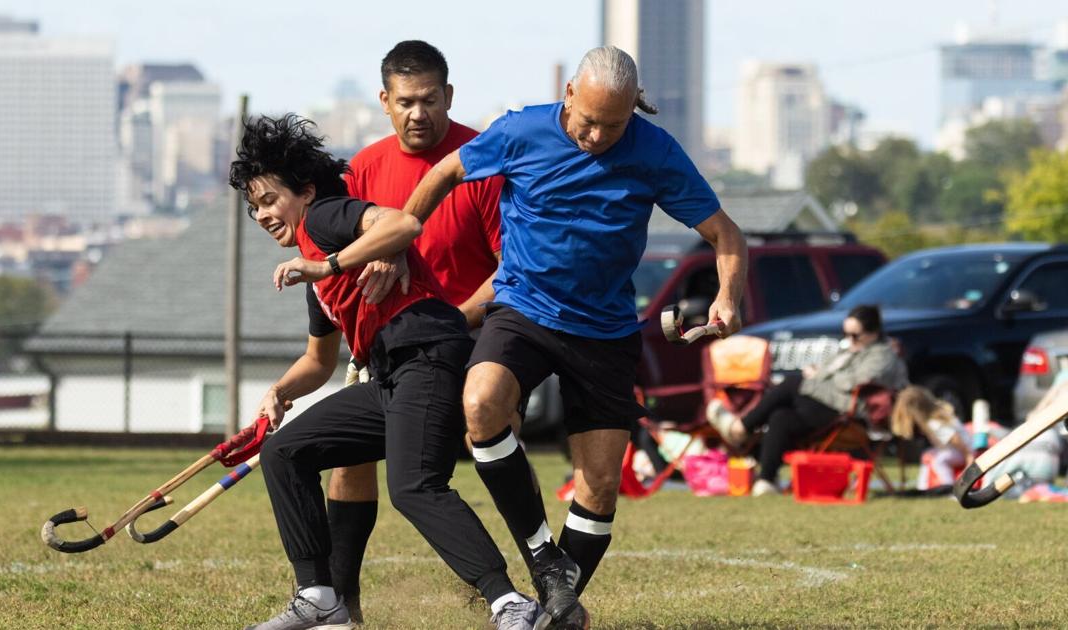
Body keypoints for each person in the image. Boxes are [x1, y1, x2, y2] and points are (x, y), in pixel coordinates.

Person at [402, 45, 749, 629]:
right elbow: (445, 172)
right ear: (568, 96)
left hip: (605, 332)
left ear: (632, 113)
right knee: (481, 404)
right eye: (587, 120)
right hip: (523, 309)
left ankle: (555, 609)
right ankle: (544, 559)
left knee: (601, 483)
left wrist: (727, 297)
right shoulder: (520, 131)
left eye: (613, 125)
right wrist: (399, 243)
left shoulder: (655, 151)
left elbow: (727, 235)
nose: (595, 135)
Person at [230, 114, 540, 630]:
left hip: (430, 354)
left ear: (304, 191)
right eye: (253, 207)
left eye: (268, 200)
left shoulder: (324, 218)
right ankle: (319, 596)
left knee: (414, 486)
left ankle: (510, 603)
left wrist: (328, 265)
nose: (261, 215)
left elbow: (403, 223)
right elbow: (318, 361)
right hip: (390, 377)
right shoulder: (312, 268)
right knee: (284, 451)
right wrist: (280, 391)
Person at [323, 40, 515, 623]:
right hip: (392, 350)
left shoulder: (480, 164)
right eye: (405, 101)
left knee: (495, 441)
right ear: (384, 101)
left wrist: (450, 325)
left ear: (448, 96)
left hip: (474, 339)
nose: (417, 113)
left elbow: (511, 271)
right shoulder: (360, 170)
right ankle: (341, 607)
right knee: (347, 459)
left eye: (429, 99)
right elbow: (341, 261)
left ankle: (537, 582)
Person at [708, 305, 909, 496]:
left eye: (855, 335)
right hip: (829, 407)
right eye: (846, 334)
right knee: (781, 417)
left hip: (852, 415)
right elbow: (830, 375)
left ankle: (740, 428)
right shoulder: (849, 351)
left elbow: (853, 383)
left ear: (873, 333)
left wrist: (817, 376)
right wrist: (819, 375)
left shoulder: (883, 356)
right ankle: (766, 480)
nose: (849, 340)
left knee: (791, 384)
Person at [890, 385, 972, 489]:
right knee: (927, 455)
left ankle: (948, 487)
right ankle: (923, 488)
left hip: (963, 451)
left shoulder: (935, 424)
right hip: (954, 450)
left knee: (939, 461)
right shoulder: (932, 419)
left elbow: (957, 440)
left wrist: (969, 458)